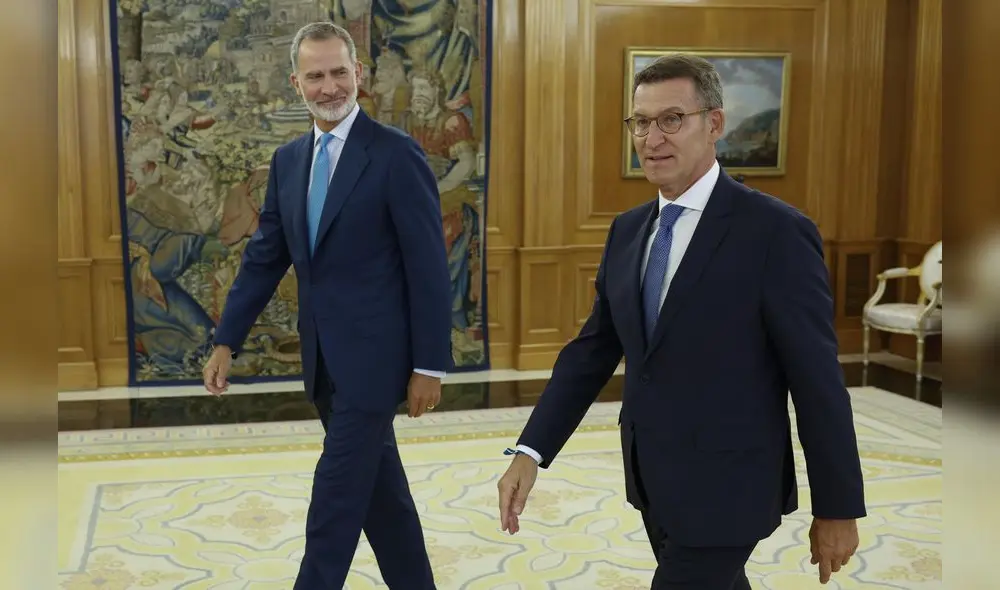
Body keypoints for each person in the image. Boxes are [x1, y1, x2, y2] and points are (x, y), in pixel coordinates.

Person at [496, 54, 866, 589]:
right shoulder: (627, 231)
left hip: (731, 488)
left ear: (713, 124)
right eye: (641, 122)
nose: (652, 137)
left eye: (671, 119)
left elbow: (818, 381)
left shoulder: (775, 233)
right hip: (652, 480)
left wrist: (837, 506)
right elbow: (593, 351)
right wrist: (530, 452)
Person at [201, 22, 451, 590]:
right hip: (322, 362)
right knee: (381, 496)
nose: (330, 86)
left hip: (376, 363)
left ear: (358, 74)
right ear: (297, 83)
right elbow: (266, 257)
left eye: (340, 72)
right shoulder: (288, 162)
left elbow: (428, 268)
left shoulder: (395, 154)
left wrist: (428, 365)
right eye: (316, 75)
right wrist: (225, 339)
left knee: (334, 502)